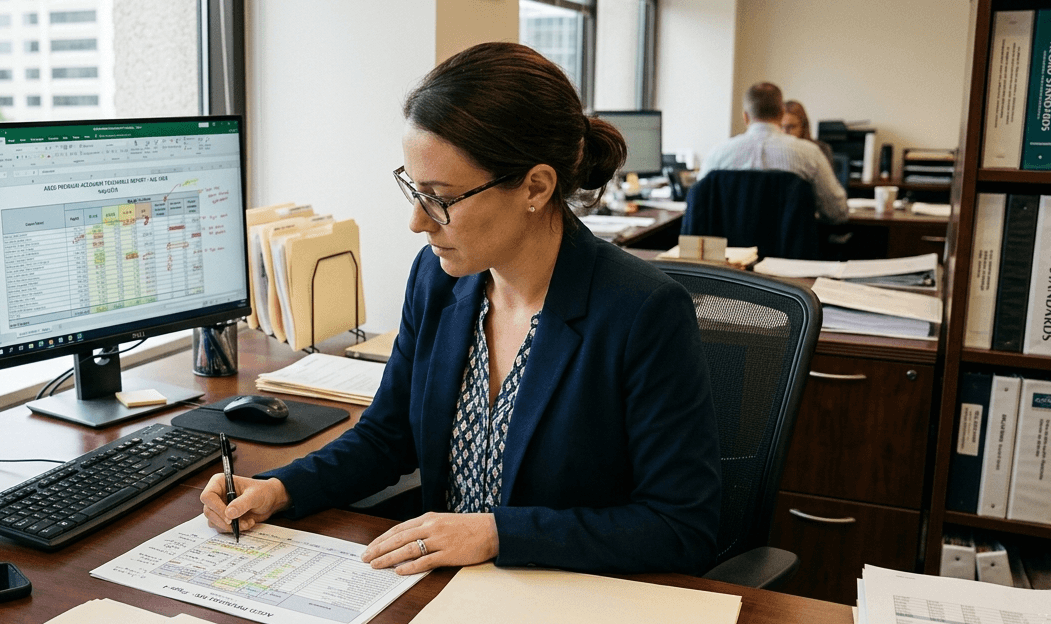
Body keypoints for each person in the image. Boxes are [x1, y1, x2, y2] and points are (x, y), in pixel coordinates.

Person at [201, 42, 721, 577]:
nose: (418, 221)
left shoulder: (642, 312)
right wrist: (280, 488)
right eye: (414, 189)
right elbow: (387, 437)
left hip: (562, 594)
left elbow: (682, 526)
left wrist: (496, 533)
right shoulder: (438, 279)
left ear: (536, 187)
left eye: (441, 197)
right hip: (443, 585)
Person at [703, 83, 848, 224]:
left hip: (731, 240)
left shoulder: (717, 155)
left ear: (745, 117)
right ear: (781, 113)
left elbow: (699, 207)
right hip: (792, 240)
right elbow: (838, 212)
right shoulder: (809, 154)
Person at [782, 100, 836, 167]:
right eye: (781, 127)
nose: (784, 132)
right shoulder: (776, 151)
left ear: (803, 126)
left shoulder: (821, 149)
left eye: (791, 127)